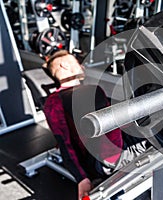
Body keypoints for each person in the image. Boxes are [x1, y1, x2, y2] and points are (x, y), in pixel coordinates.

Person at [43, 50, 148, 199]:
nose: (82, 67)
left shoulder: (91, 90)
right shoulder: (54, 101)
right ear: (64, 65)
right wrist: (82, 179)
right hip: (107, 158)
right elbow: (65, 143)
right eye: (77, 62)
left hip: (120, 145)